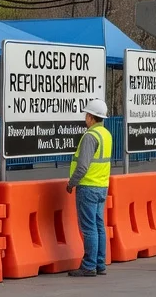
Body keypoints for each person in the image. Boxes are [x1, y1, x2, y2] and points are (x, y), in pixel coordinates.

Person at [65, 99, 112, 277]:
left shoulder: (90, 136)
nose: (85, 118)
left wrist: (72, 183)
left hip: (88, 187)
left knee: (89, 227)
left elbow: (83, 166)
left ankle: (89, 265)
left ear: (91, 117)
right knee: (99, 226)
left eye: (87, 115)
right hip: (102, 186)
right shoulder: (106, 135)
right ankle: (100, 264)